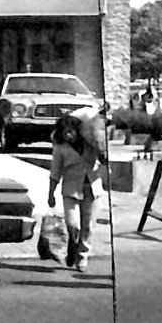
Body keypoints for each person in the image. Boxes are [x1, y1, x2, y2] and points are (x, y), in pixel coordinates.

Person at [46, 111, 106, 272]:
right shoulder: (60, 148)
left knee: (88, 226)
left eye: (71, 131)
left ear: (78, 131)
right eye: (65, 132)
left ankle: (82, 256)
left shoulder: (89, 144)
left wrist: (102, 152)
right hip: (70, 189)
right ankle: (73, 244)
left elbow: (102, 156)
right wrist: (51, 194)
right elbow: (55, 172)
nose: (68, 135)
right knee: (73, 225)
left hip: (92, 189)